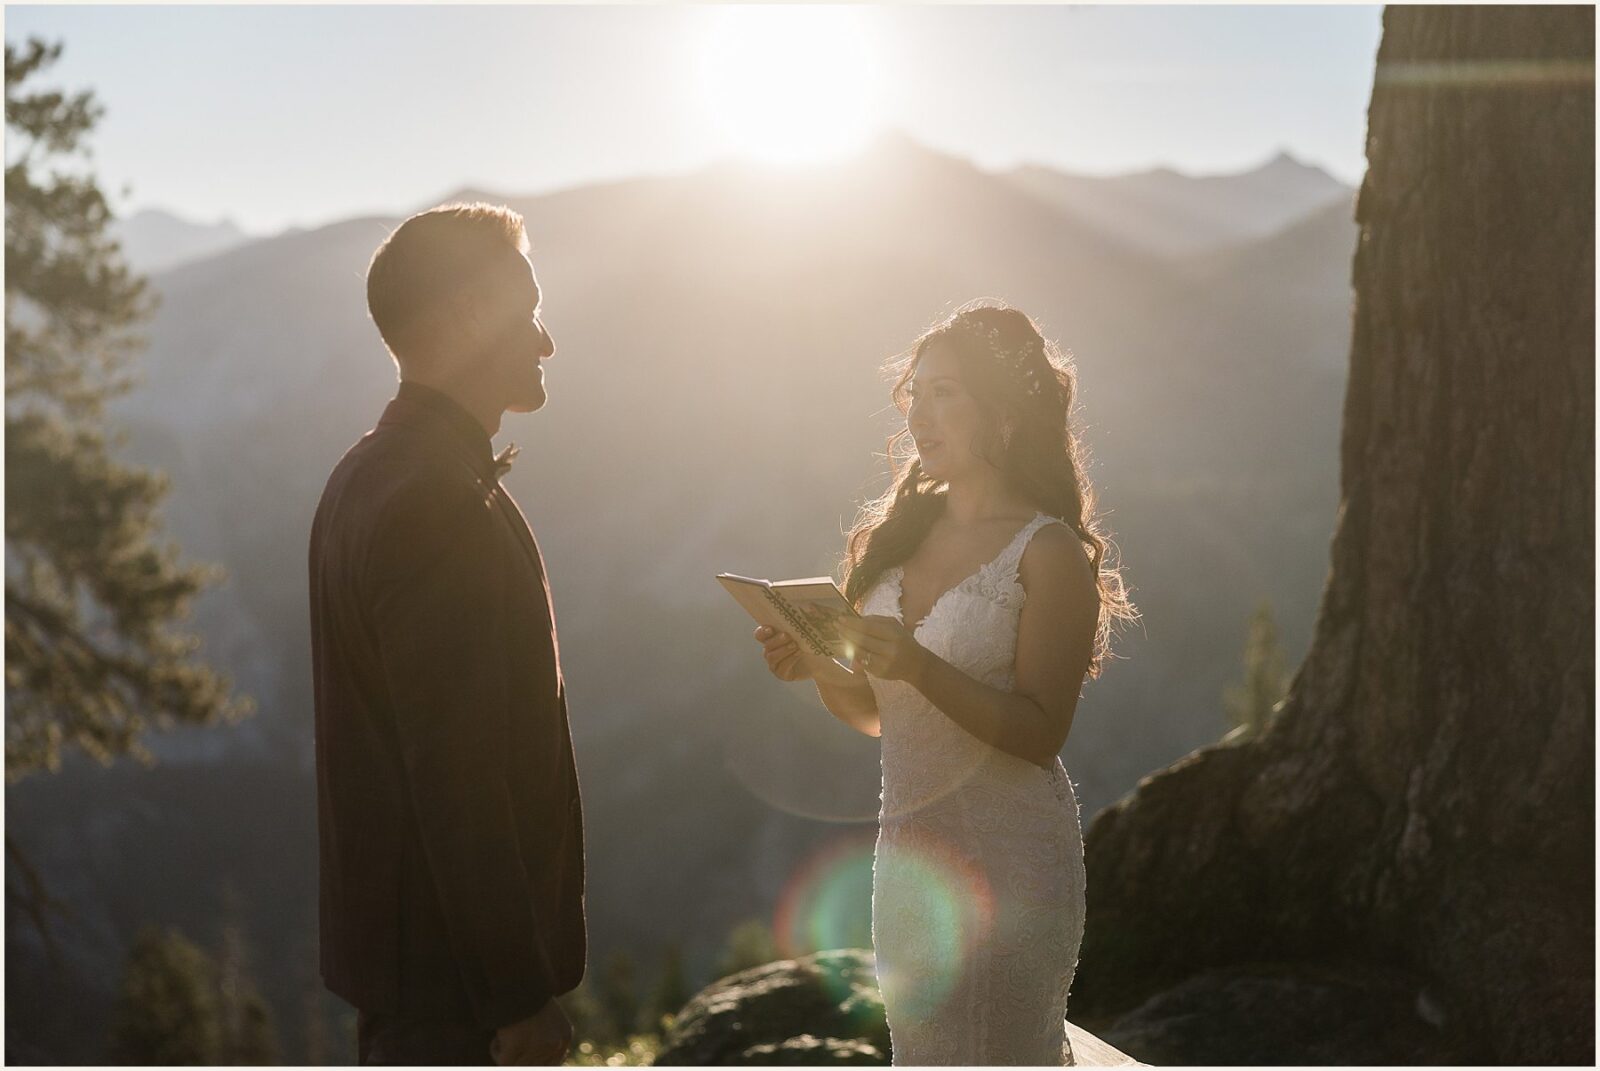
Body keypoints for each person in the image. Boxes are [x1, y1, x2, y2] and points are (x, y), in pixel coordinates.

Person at [754, 301, 1135, 1065]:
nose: (920, 412)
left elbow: (1039, 732)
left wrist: (919, 665)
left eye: (945, 392)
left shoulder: (1046, 550)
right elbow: (879, 712)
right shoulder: (898, 541)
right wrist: (820, 670)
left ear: (1002, 413)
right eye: (915, 393)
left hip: (1013, 864)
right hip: (910, 869)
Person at [309, 203, 585, 1065]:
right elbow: (457, 775)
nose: (545, 343)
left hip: (416, 979)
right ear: (468, 316)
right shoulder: (436, 502)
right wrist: (517, 1002)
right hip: (457, 1005)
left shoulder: (363, 476)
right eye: (529, 310)